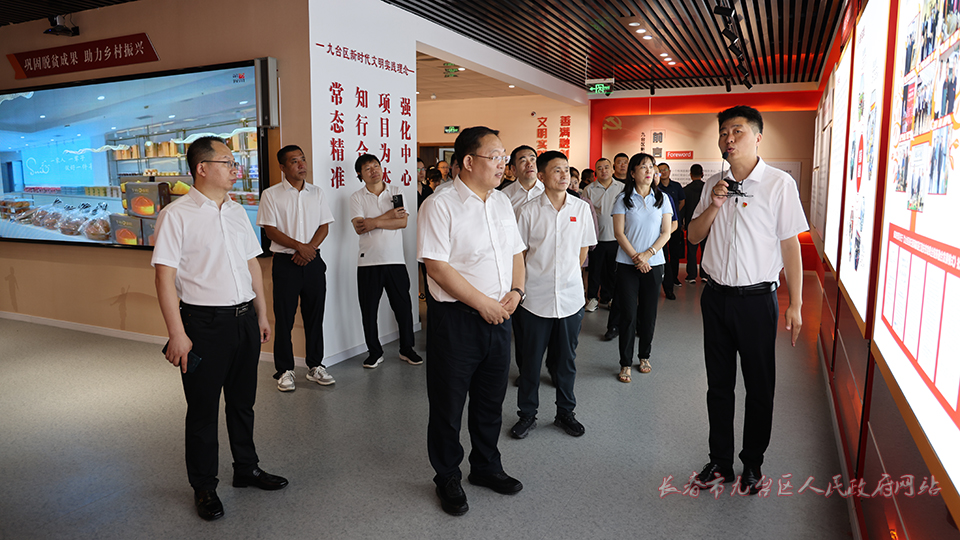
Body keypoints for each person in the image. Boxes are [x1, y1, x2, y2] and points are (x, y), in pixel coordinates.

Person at [153, 136, 288, 522]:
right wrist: (177, 333)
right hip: (202, 325)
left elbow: (252, 265)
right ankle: (204, 486)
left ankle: (246, 468)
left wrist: (262, 314)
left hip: (244, 320)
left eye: (234, 162)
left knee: (243, 403)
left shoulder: (236, 211)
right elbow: (164, 279)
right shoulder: (176, 215)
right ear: (202, 168)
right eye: (227, 162)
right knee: (202, 410)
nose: (235, 168)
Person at [688, 105, 807, 494]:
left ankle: (752, 462)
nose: (728, 138)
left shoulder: (778, 184)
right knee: (718, 386)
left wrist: (796, 304)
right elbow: (693, 236)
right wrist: (714, 204)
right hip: (715, 298)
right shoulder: (713, 184)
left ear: (757, 137)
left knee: (759, 386)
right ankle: (720, 462)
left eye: (737, 131)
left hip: (757, 301)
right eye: (724, 132)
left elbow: (790, 246)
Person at [418, 126, 526, 516]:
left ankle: (485, 466)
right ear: (467, 161)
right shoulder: (440, 204)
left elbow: (516, 252)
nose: (503, 164)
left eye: (504, 157)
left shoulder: (501, 202)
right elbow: (436, 267)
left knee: (490, 400)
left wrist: (517, 291)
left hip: (499, 316)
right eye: (495, 157)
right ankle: (447, 475)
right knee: (448, 405)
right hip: (457, 320)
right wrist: (483, 304)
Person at [511, 151, 596, 439]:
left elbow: (583, 251)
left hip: (570, 299)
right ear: (542, 176)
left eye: (566, 169)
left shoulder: (581, 208)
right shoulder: (528, 211)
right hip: (535, 299)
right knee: (530, 362)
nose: (564, 175)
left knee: (566, 362)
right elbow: (520, 255)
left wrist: (570, 278)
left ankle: (565, 413)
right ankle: (527, 414)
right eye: (556, 170)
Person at [257, 145, 336, 392]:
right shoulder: (271, 194)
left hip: (313, 261)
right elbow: (270, 230)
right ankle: (285, 370)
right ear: (282, 167)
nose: (302, 165)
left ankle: (315, 365)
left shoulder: (317, 192)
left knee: (315, 316)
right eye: (294, 161)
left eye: (303, 159)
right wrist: (299, 247)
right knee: (284, 318)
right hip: (285, 263)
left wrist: (308, 250)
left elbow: (324, 226)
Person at [350, 154, 422, 368]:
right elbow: (359, 227)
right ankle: (374, 352)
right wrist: (389, 216)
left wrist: (373, 222)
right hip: (368, 262)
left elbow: (403, 222)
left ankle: (407, 349)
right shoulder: (356, 197)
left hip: (395, 260)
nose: (374, 170)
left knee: (403, 307)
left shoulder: (396, 192)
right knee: (369, 310)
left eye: (376, 165)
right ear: (360, 174)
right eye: (367, 168)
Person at [610, 153, 672, 383]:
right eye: (643, 167)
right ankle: (625, 362)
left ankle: (644, 356)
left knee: (648, 313)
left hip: (654, 264)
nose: (649, 170)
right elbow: (619, 233)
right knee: (628, 314)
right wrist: (636, 258)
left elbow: (666, 232)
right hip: (627, 264)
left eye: (651, 166)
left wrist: (647, 255)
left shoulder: (662, 198)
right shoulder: (623, 199)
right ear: (633, 173)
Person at [582, 158, 624, 333]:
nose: (604, 170)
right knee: (595, 270)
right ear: (595, 172)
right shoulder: (589, 189)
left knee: (612, 270)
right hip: (596, 239)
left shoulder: (621, 187)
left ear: (612, 169)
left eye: (606, 167)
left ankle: (609, 297)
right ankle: (592, 298)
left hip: (616, 237)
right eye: (600, 168)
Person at [657, 162, 685, 300]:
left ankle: (673, 279)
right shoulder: (656, 189)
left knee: (674, 253)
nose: (663, 172)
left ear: (669, 171)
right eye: (660, 170)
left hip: (673, 226)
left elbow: (682, 202)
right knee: (662, 256)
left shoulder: (676, 186)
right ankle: (661, 284)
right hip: (658, 230)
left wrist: (670, 217)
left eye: (665, 169)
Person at [500, 145, 543, 216]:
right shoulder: (504, 196)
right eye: (523, 161)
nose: (529, 164)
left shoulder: (548, 191)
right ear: (514, 169)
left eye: (532, 159)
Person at [684, 164, 706, 283]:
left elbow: (683, 208)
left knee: (691, 251)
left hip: (691, 224)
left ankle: (691, 275)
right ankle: (704, 274)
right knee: (705, 250)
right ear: (702, 174)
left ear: (691, 175)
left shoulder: (686, 190)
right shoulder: (707, 188)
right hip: (706, 224)